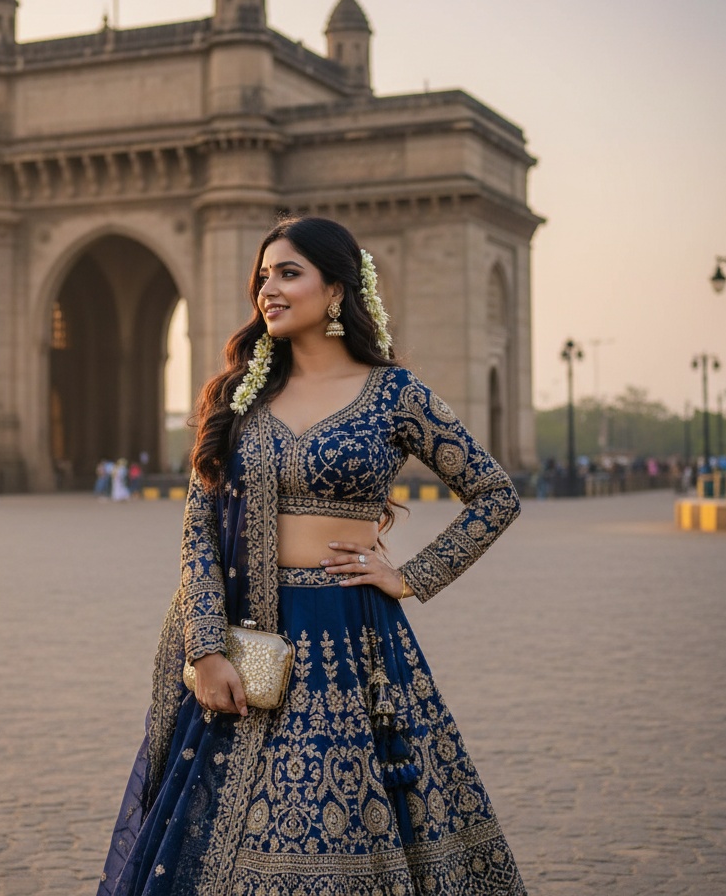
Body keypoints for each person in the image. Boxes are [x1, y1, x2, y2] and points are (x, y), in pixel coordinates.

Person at [98, 217, 526, 896]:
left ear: (336, 290)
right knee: (231, 839)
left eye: (288, 273)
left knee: (348, 819)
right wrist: (206, 649)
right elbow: (199, 532)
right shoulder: (239, 401)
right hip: (249, 642)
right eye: (262, 276)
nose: (268, 288)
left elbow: (495, 494)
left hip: (355, 646)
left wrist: (409, 575)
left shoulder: (396, 395)